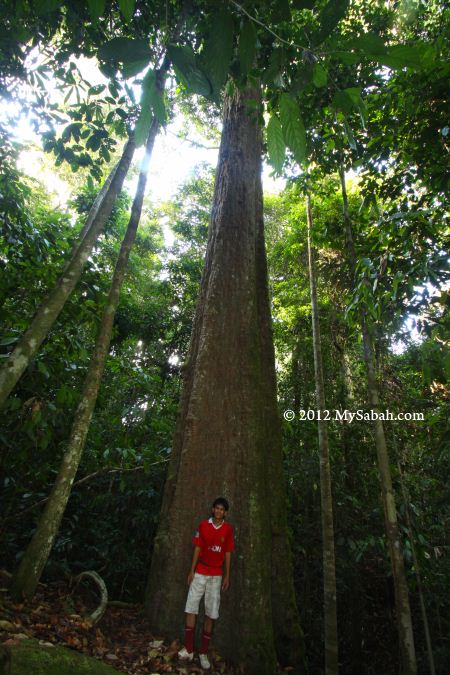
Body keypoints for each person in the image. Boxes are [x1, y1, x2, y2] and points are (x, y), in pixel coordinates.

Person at [178, 497, 234, 670]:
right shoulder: (203, 526)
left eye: (222, 509)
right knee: (191, 608)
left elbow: (228, 553)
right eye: (216, 508)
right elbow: (198, 547)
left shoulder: (227, 529)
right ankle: (188, 649)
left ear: (225, 512)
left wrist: (227, 576)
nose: (218, 511)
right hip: (201, 572)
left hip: (216, 576)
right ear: (212, 509)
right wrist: (191, 570)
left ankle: (202, 652)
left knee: (211, 613)